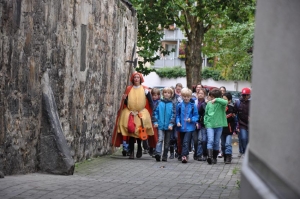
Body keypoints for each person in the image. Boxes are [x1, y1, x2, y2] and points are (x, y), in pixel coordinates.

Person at [111, 72, 156, 159]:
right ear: (132, 79)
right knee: (131, 132)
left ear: (140, 79)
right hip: (130, 112)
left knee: (139, 132)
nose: (136, 79)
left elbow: (150, 101)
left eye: (138, 77)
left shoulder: (145, 89)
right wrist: (124, 99)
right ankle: (131, 152)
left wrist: (153, 111)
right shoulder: (128, 89)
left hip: (141, 113)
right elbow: (126, 103)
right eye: (135, 77)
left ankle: (139, 148)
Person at [204, 88, 228, 165]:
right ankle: (210, 157)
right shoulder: (209, 103)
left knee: (216, 142)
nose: (211, 98)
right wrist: (206, 122)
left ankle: (214, 158)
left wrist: (217, 99)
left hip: (219, 125)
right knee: (210, 140)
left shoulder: (221, 103)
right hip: (210, 125)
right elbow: (206, 114)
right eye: (210, 96)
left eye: (212, 97)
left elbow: (225, 102)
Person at [176, 88, 199, 163]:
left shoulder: (193, 106)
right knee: (182, 142)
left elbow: (196, 116)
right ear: (182, 96)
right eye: (184, 96)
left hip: (190, 128)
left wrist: (191, 119)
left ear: (190, 97)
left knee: (186, 141)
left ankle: (184, 156)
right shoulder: (179, 105)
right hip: (181, 127)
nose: (186, 98)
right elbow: (177, 115)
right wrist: (178, 122)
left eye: (188, 97)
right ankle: (183, 154)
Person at [152, 87, 176, 162]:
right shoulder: (159, 103)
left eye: (168, 93)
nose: (167, 94)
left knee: (167, 142)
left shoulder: (172, 104)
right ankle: (158, 154)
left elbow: (173, 115)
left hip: (168, 126)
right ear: (163, 94)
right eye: (165, 92)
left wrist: (171, 124)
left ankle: (165, 155)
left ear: (171, 94)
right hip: (160, 125)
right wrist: (155, 122)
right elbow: (155, 113)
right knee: (160, 139)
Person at [234, 87, 251, 157]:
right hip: (241, 123)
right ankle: (243, 152)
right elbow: (234, 113)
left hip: (250, 124)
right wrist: (236, 125)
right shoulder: (238, 103)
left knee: (248, 139)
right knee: (243, 138)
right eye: (244, 95)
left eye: (247, 95)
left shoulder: (252, 102)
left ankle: (245, 151)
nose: (245, 97)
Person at [220, 92, 235, 164]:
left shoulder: (231, 108)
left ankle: (229, 156)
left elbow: (229, 116)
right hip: (221, 129)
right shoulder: (220, 107)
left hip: (229, 129)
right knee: (223, 144)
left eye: (225, 99)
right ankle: (225, 155)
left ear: (229, 101)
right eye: (222, 99)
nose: (223, 101)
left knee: (228, 143)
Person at [194, 88, 207, 161]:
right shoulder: (194, 102)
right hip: (194, 123)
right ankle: (195, 153)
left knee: (200, 139)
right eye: (199, 93)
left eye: (202, 93)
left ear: (204, 95)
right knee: (195, 140)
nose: (200, 95)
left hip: (201, 124)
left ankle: (199, 154)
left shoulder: (206, 103)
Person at [148, 88, 161, 157]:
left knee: (157, 136)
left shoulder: (159, 102)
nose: (154, 97)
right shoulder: (150, 101)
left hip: (157, 121)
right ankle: (151, 148)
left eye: (156, 95)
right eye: (153, 95)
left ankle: (156, 150)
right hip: (150, 120)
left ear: (158, 95)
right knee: (151, 135)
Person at [218, 86, 227, 158]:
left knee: (223, 140)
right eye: (220, 90)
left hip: (223, 121)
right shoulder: (216, 99)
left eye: (223, 90)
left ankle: (224, 152)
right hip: (218, 121)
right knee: (219, 139)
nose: (222, 92)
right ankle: (220, 152)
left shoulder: (224, 100)